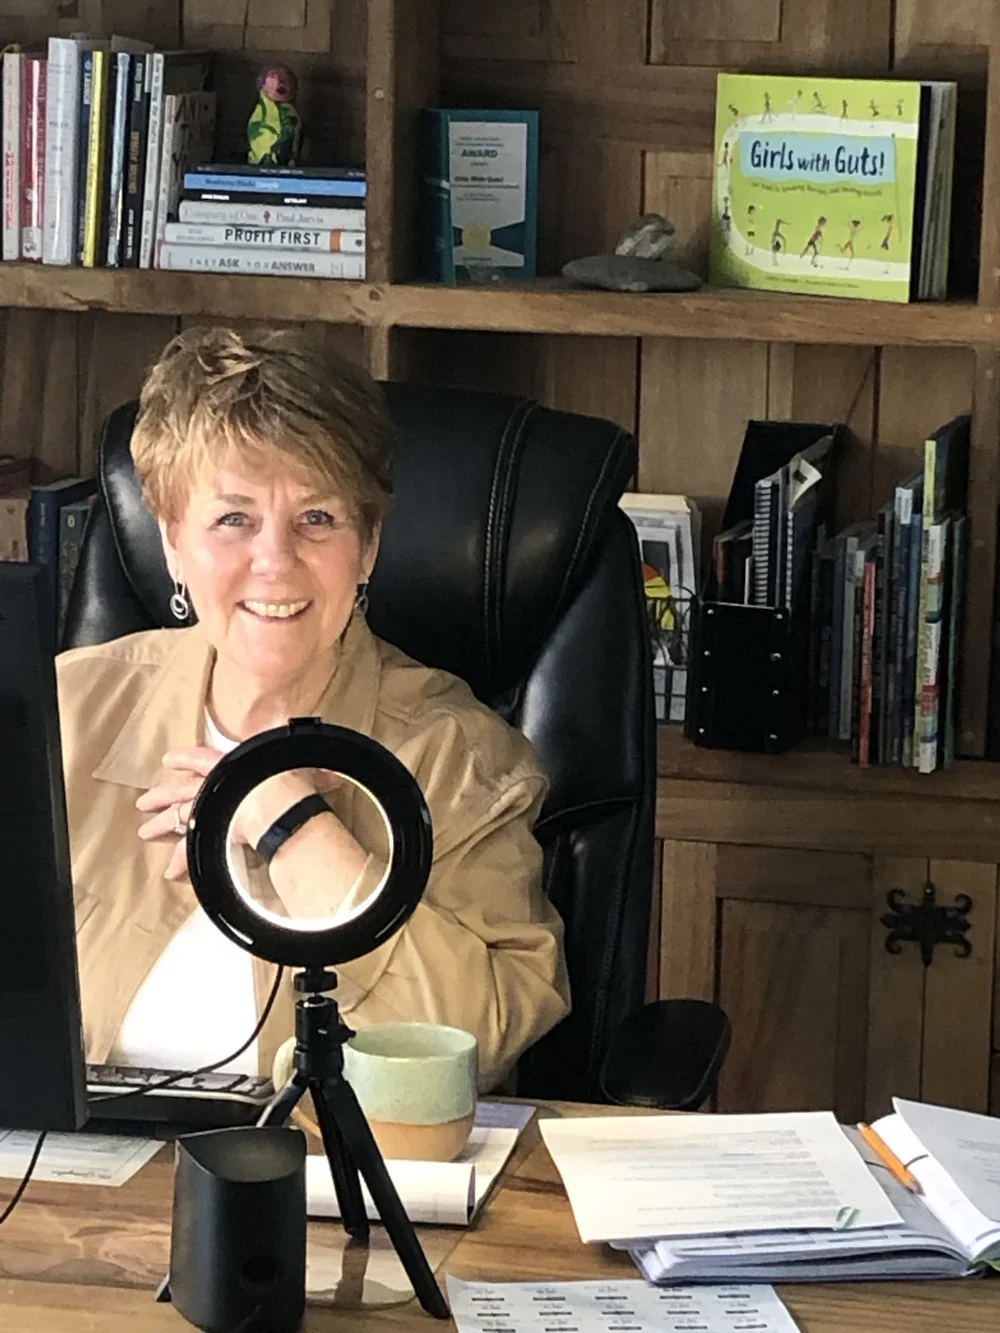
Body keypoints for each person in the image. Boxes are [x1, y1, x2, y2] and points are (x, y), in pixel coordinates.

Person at [57, 326, 571, 1094]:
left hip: (338, 1186)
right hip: (86, 1192)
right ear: (171, 541)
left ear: (366, 547)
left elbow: (475, 1043)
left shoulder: (459, 755)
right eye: (233, 519)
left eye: (318, 519)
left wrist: (289, 825)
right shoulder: (64, 711)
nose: (275, 560)